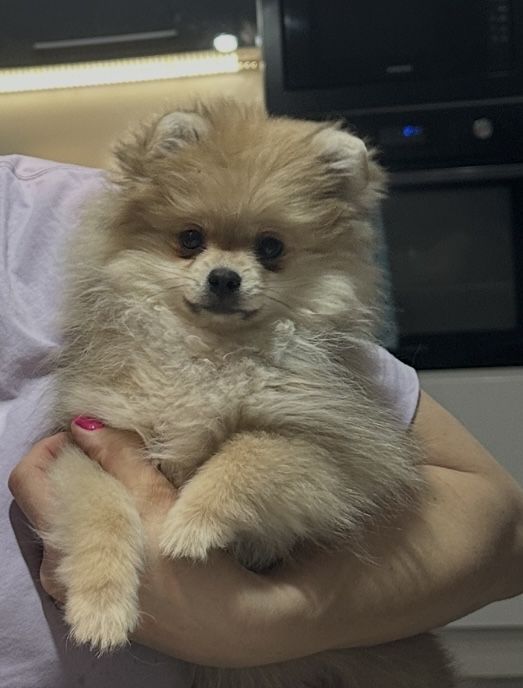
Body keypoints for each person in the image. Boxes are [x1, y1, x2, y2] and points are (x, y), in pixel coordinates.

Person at [3, 154, 523, 687]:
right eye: (191, 241)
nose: (224, 269)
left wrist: (263, 617)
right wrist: (100, 545)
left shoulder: (48, 213)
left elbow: (500, 526)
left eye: (268, 249)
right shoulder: (113, 295)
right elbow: (79, 465)